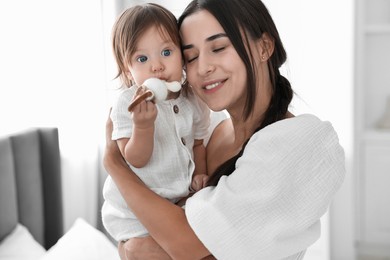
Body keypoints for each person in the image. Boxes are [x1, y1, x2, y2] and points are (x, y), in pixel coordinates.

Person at [103, 0, 346, 259]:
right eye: (191, 57)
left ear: (264, 47)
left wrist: (115, 165)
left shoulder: (300, 142)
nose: (204, 67)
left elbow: (187, 244)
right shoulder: (213, 136)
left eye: (218, 48)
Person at [101, 3, 211, 242]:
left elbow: (199, 143)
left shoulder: (192, 98)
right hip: (135, 212)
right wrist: (143, 127)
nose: (157, 66)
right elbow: (135, 160)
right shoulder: (128, 104)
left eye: (166, 52)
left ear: (181, 54)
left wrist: (200, 174)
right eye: (142, 58)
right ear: (128, 70)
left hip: (179, 201)